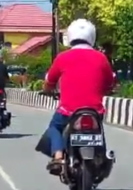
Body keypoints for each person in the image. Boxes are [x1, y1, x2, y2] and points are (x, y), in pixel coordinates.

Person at [42, 19, 115, 174]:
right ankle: (101, 156)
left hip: (68, 111)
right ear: (92, 37)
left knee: (55, 127)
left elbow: (49, 80)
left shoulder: (63, 57)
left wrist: (48, 89)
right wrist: (107, 89)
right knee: (99, 130)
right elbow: (110, 82)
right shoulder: (101, 58)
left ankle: (58, 156)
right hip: (95, 111)